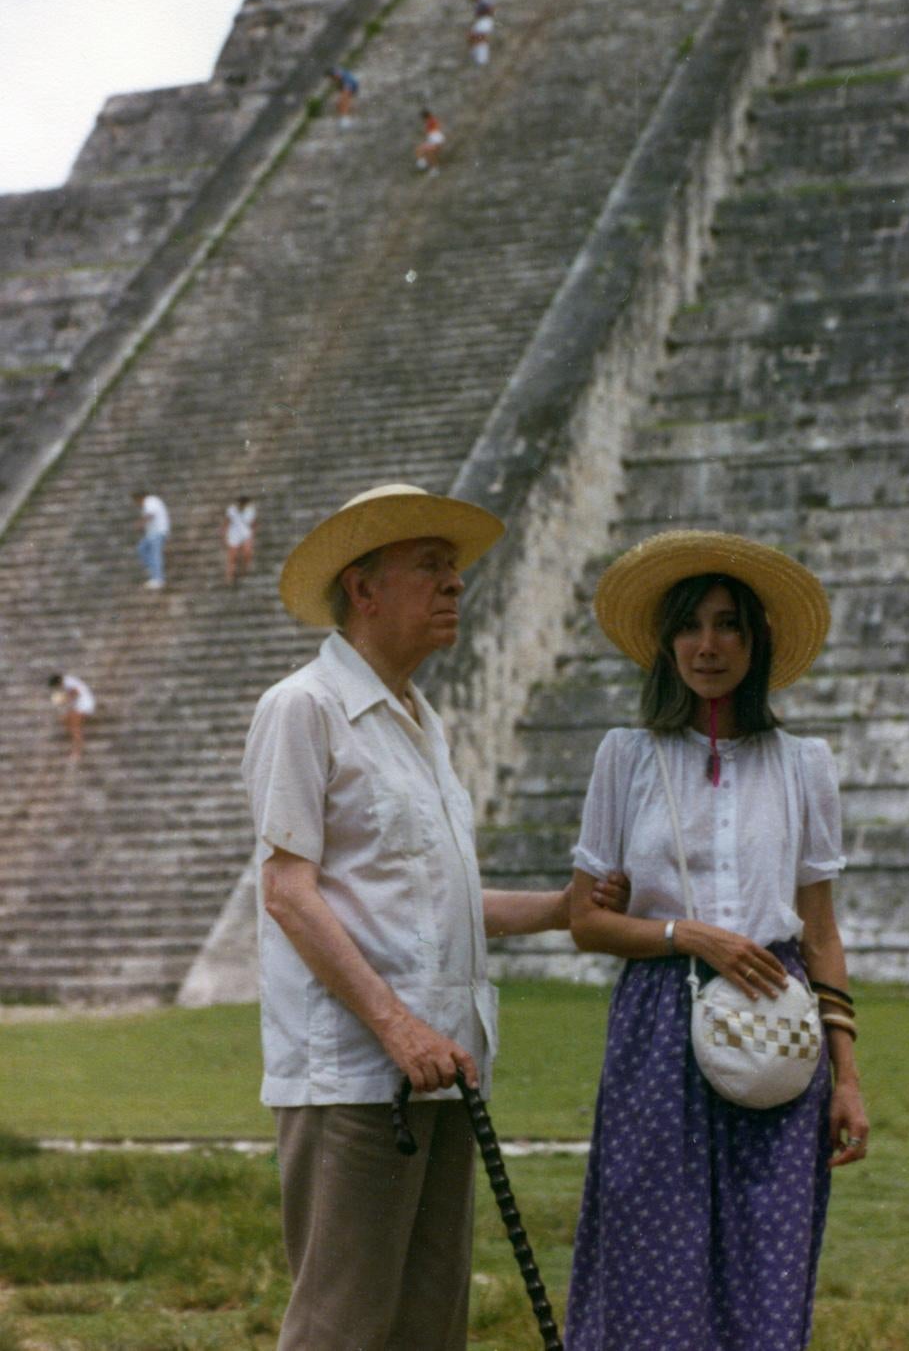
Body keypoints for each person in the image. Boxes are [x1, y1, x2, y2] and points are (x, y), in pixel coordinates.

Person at [242, 482, 628, 1351]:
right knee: (341, 1328)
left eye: (453, 571)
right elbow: (288, 893)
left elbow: (435, 904)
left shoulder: (423, 725)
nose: (455, 586)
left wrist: (565, 912)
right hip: (355, 1074)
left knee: (428, 1327)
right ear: (363, 588)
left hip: (446, 1063)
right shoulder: (304, 707)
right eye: (429, 567)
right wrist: (396, 1027)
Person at [565, 528, 869, 1351]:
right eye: (691, 625)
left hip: (778, 1017)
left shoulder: (804, 765)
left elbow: (822, 929)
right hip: (660, 1024)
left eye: (729, 623)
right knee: (648, 1253)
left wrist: (847, 1078)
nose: (709, 645)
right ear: (665, 643)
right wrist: (684, 933)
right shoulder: (625, 759)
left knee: (766, 1255)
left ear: (758, 639)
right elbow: (588, 920)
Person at [48, 671, 95, 761]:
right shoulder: (68, 681)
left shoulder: (68, 682)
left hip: (84, 705)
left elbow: (75, 692)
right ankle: (75, 747)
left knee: (75, 728)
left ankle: (77, 751)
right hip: (82, 705)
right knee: (65, 720)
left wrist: (64, 699)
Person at [133, 489, 170, 588]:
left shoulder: (150, 501)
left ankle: (158, 579)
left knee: (155, 554)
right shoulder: (152, 501)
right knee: (142, 549)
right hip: (153, 533)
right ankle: (154, 573)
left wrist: (140, 524)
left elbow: (151, 514)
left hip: (157, 532)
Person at [223, 494, 257, 584]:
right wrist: (225, 535)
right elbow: (226, 522)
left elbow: (253, 523)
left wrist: (252, 535)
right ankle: (230, 576)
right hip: (234, 534)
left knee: (247, 554)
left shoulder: (250, 510)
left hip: (246, 534)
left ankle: (244, 571)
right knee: (232, 557)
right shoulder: (232, 509)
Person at [467, 0, 495, 66]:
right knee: (473, 36)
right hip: (482, 20)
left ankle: (482, 58)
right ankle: (475, 54)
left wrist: (482, 13)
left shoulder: (484, 0)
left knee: (481, 37)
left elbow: (491, 9)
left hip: (485, 19)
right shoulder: (479, 2)